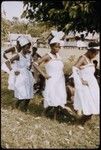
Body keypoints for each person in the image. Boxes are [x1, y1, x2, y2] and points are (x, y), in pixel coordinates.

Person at [32, 37, 67, 119]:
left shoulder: (58, 56)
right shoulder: (48, 56)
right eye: (56, 47)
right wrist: (44, 74)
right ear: (51, 46)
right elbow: (35, 64)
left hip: (60, 80)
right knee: (51, 96)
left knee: (58, 96)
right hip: (52, 79)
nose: (58, 49)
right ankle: (44, 113)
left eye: (59, 47)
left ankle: (55, 116)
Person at [72, 42, 100, 124]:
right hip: (85, 86)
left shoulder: (90, 60)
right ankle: (78, 123)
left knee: (94, 107)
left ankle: (81, 123)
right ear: (90, 51)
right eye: (95, 53)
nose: (96, 55)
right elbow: (74, 68)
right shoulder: (83, 58)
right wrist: (81, 80)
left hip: (92, 86)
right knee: (89, 108)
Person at [5, 36, 34, 112]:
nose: (28, 49)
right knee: (22, 94)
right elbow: (7, 62)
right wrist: (13, 70)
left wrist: (31, 63)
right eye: (27, 48)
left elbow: (29, 66)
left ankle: (24, 108)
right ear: (22, 47)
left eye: (29, 47)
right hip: (21, 76)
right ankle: (15, 107)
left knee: (29, 94)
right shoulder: (18, 55)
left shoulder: (28, 56)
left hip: (28, 75)